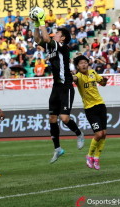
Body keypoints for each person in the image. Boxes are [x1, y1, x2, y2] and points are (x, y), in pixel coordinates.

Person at [33, 8, 85, 163]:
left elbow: (47, 39)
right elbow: (37, 39)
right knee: (52, 118)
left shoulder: (62, 46)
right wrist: (35, 23)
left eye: (57, 33)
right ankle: (58, 149)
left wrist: (41, 20)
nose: (54, 34)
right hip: (56, 87)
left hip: (66, 86)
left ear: (62, 38)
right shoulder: (51, 46)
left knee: (64, 117)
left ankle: (79, 134)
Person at [73, 55, 108, 170]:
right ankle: (89, 156)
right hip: (90, 108)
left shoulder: (93, 72)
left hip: (101, 105)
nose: (84, 64)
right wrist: (71, 76)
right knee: (98, 134)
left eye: (85, 62)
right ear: (77, 66)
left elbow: (102, 84)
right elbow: (74, 79)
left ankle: (97, 158)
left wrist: (104, 81)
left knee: (104, 134)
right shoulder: (78, 76)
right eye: (81, 63)